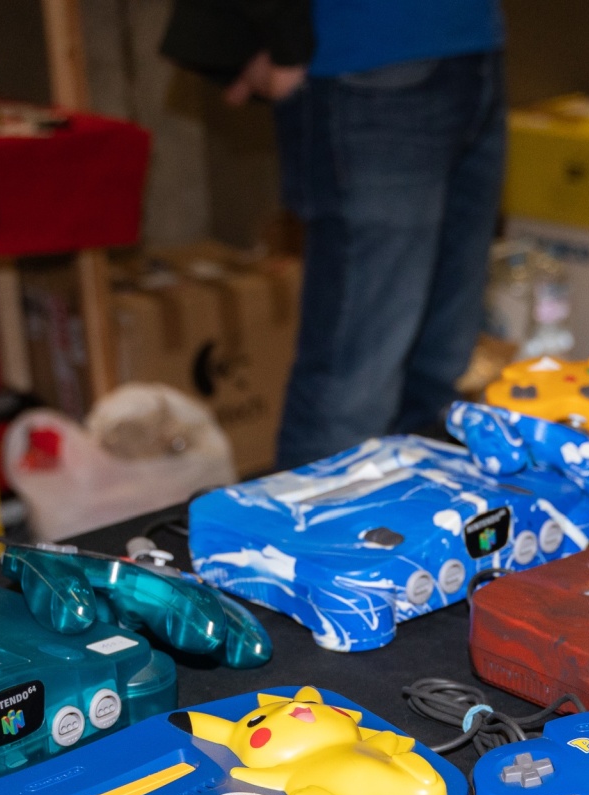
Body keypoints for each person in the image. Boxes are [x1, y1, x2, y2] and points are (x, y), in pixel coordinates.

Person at [162, 0, 506, 467]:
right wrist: (281, 41)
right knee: (352, 387)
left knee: (439, 363)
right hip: (368, 56)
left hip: (472, 45)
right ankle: (314, 515)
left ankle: (416, 509)